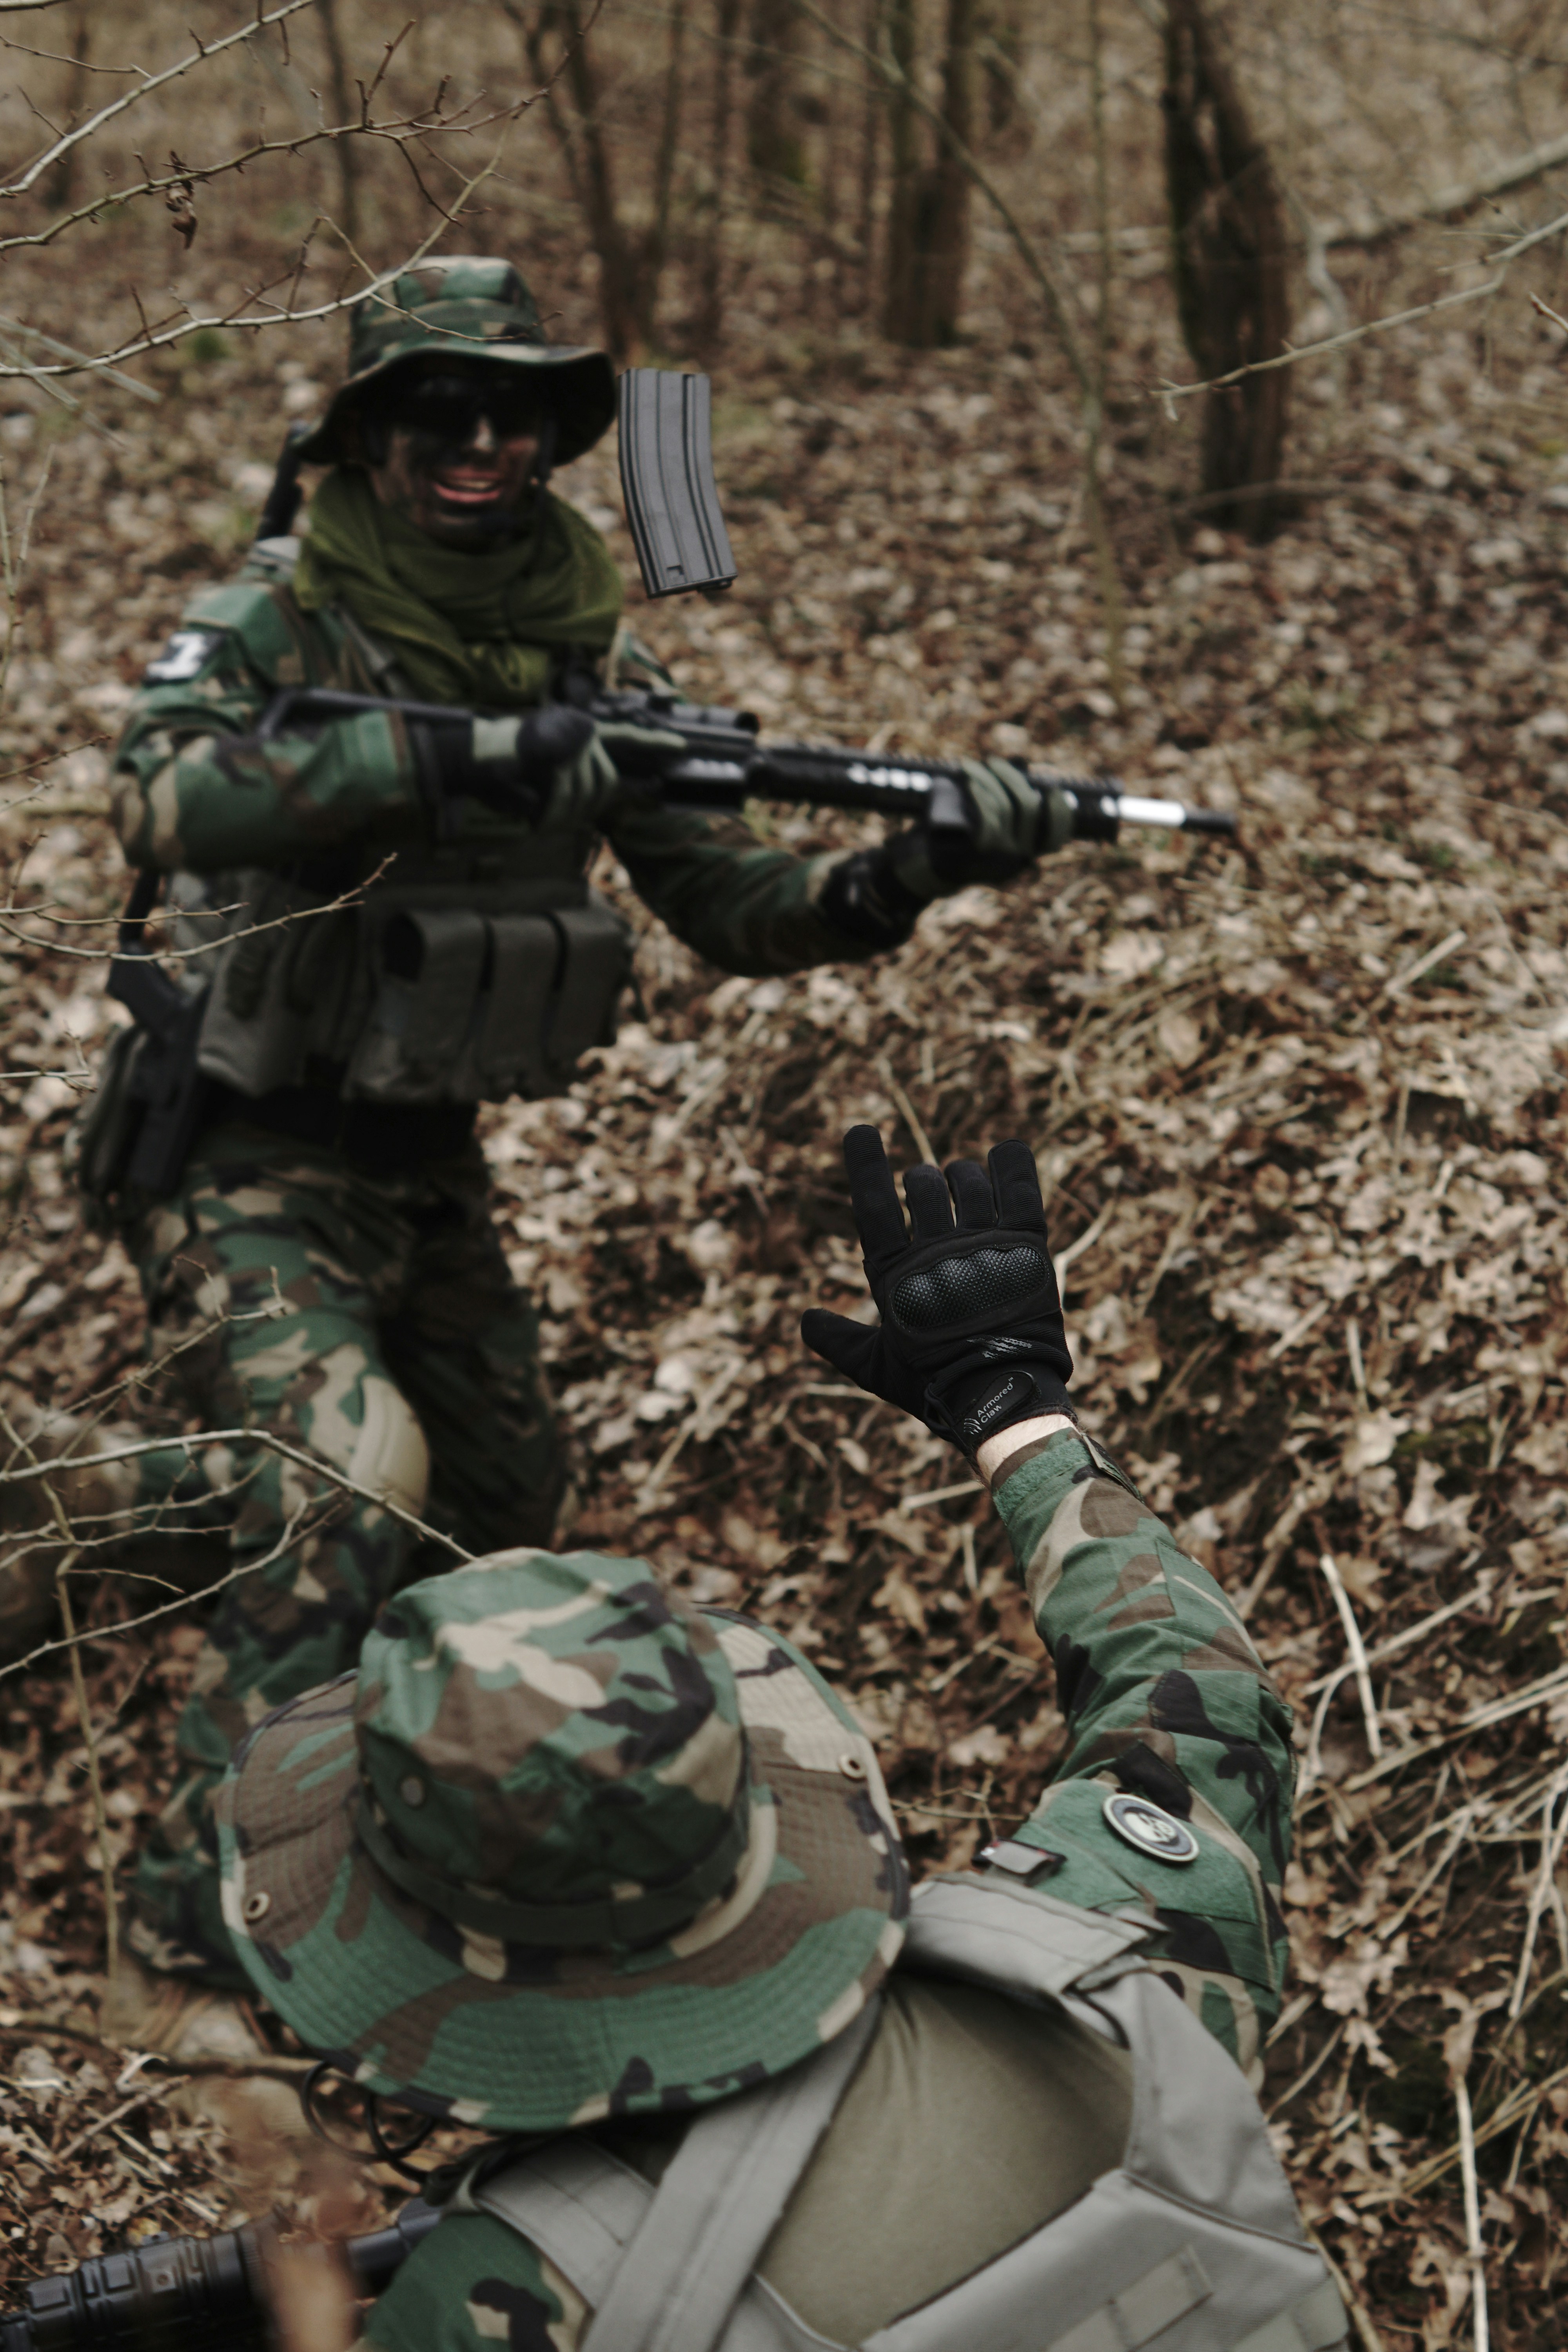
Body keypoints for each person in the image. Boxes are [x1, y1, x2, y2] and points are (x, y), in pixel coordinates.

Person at [36, 258, 1058, 2061]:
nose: (485, 444)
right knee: (344, 1486)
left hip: (422, 1157)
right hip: (239, 1148)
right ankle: (186, 1949)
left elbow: (733, 903)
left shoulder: (588, 636)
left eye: (518, 414)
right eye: (442, 411)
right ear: (370, 431)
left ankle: (120, 1540)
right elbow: (159, 794)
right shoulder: (284, 615)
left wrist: (910, 871)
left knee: (492, 1511)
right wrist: (455, 764)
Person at [213, 1126, 1347, 2352]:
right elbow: (1202, 1699)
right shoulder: (1101, 1974)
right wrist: (1014, 1408)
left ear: (409, 1957)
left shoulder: (501, 2305)